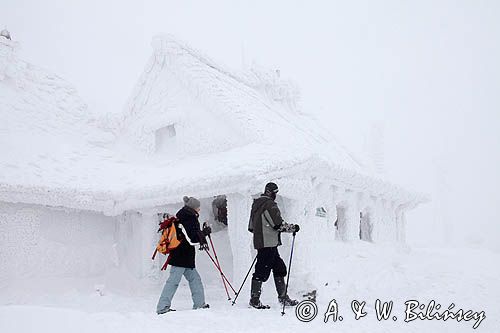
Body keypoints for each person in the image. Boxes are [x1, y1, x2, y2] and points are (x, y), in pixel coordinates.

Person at [247, 182, 300, 309]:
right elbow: (278, 225)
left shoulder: (255, 205)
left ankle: (283, 297)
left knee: (279, 268)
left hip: (263, 242)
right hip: (268, 243)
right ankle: (254, 300)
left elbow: (251, 227)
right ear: (271, 193)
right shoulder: (270, 204)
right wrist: (293, 228)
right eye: (275, 193)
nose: (276, 195)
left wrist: (261, 233)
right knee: (261, 271)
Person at [156, 196, 212, 314]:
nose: (199, 210)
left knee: (195, 280)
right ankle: (162, 307)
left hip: (184, 256)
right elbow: (192, 239)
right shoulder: (188, 218)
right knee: (173, 281)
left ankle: (199, 304)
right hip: (181, 256)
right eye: (198, 208)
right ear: (193, 207)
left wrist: (202, 234)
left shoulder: (183, 216)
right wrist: (204, 234)